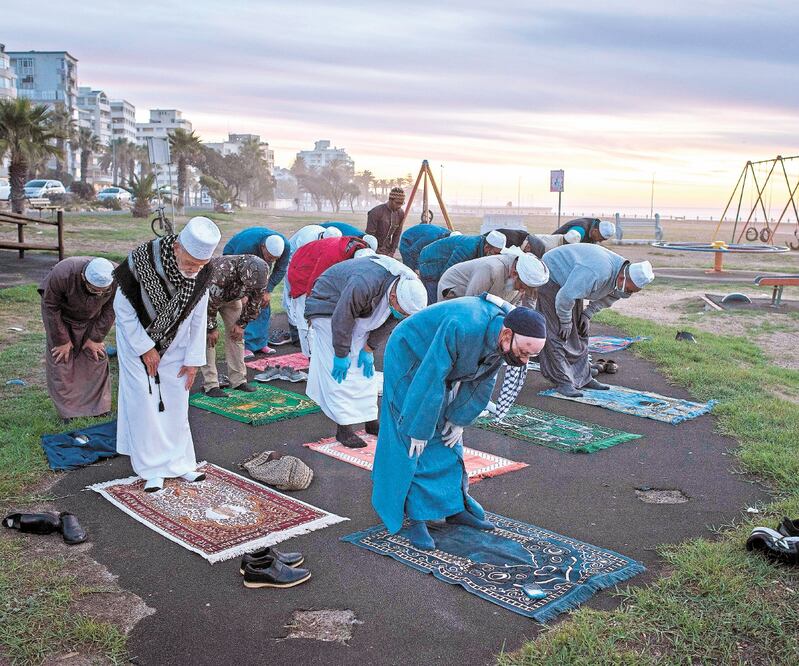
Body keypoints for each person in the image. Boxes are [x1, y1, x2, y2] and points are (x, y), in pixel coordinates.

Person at [371, 296, 547, 550]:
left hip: (440, 366)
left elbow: (482, 379)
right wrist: (418, 428)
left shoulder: (504, 337)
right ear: (507, 335)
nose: (524, 361)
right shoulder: (462, 325)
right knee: (410, 437)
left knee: (447, 433)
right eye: (523, 353)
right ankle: (415, 516)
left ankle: (453, 507)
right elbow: (430, 376)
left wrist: (459, 418)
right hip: (411, 356)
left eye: (531, 356)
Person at [113, 216, 221, 492]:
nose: (194, 270)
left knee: (176, 401)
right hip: (137, 339)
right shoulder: (142, 261)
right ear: (177, 248)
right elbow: (123, 309)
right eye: (189, 263)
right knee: (145, 403)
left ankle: (180, 463)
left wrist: (194, 359)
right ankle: (151, 469)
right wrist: (145, 347)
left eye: (200, 265)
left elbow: (198, 315)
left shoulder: (202, 273)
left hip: (179, 341)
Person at [304, 255, 427, 448]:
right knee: (340, 372)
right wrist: (341, 354)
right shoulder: (364, 284)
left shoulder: (405, 289)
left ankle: (370, 419)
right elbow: (342, 318)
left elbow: (391, 319)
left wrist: (369, 348)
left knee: (363, 370)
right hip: (328, 307)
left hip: (357, 313)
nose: (402, 316)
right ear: (393, 297)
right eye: (402, 311)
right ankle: (344, 428)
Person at [538, 244, 654, 397]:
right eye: (630, 290)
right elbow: (564, 297)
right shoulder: (598, 272)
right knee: (558, 333)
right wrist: (565, 321)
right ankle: (563, 381)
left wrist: (587, 314)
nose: (629, 294)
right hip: (552, 277)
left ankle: (584, 377)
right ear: (622, 278)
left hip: (571, 283)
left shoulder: (621, 276)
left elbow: (611, 296)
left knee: (580, 331)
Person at [39, 256, 116, 421]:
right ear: (83, 278)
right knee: (62, 362)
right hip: (62, 320)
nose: (100, 294)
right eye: (95, 290)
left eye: (103, 290)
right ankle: (69, 413)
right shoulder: (62, 273)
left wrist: (96, 337)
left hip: (93, 321)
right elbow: (50, 306)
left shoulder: (118, 277)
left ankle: (99, 408)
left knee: (96, 359)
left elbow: (112, 307)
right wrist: (61, 340)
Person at [286, 235, 374, 355]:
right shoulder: (332, 257)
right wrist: (309, 310)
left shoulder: (360, 251)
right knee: (306, 320)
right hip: (302, 268)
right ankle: (310, 357)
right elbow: (314, 282)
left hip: (318, 262)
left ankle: (324, 349)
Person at [201, 254, 271, 397]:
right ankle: (211, 384)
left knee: (237, 335)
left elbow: (255, 300)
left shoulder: (260, 272)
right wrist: (211, 328)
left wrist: (241, 324)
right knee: (209, 339)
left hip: (232, 297)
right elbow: (208, 303)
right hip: (207, 297)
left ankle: (238, 380)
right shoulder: (220, 273)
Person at [270, 225, 344, 347]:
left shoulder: (329, 241)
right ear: (323, 238)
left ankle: (309, 333)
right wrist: (297, 287)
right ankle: (297, 336)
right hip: (293, 262)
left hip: (305, 264)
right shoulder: (307, 240)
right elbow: (301, 264)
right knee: (293, 299)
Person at [222, 227, 289, 357]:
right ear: (263, 247)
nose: (272, 261)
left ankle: (261, 342)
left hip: (258, 262)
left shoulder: (285, 246)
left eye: (275, 258)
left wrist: (268, 290)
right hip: (234, 259)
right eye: (270, 257)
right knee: (246, 304)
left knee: (263, 302)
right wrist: (243, 293)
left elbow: (280, 269)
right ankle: (246, 344)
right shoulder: (247, 244)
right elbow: (236, 269)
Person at [417, 230, 506, 303]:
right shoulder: (468, 248)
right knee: (435, 303)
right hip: (431, 263)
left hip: (441, 260)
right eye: (496, 253)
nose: (496, 256)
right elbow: (447, 273)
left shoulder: (480, 247)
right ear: (487, 248)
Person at [438, 250, 549, 302]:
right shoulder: (491, 269)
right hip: (455, 288)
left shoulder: (520, 279)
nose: (521, 291)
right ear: (514, 274)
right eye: (522, 287)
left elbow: (511, 308)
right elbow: (471, 303)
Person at [366, 186, 405, 255]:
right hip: (373, 249)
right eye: (397, 203)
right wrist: (375, 250)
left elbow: (397, 234)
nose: (399, 206)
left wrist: (392, 252)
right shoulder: (376, 212)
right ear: (390, 200)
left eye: (401, 203)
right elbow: (370, 235)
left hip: (387, 250)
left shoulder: (400, 213)